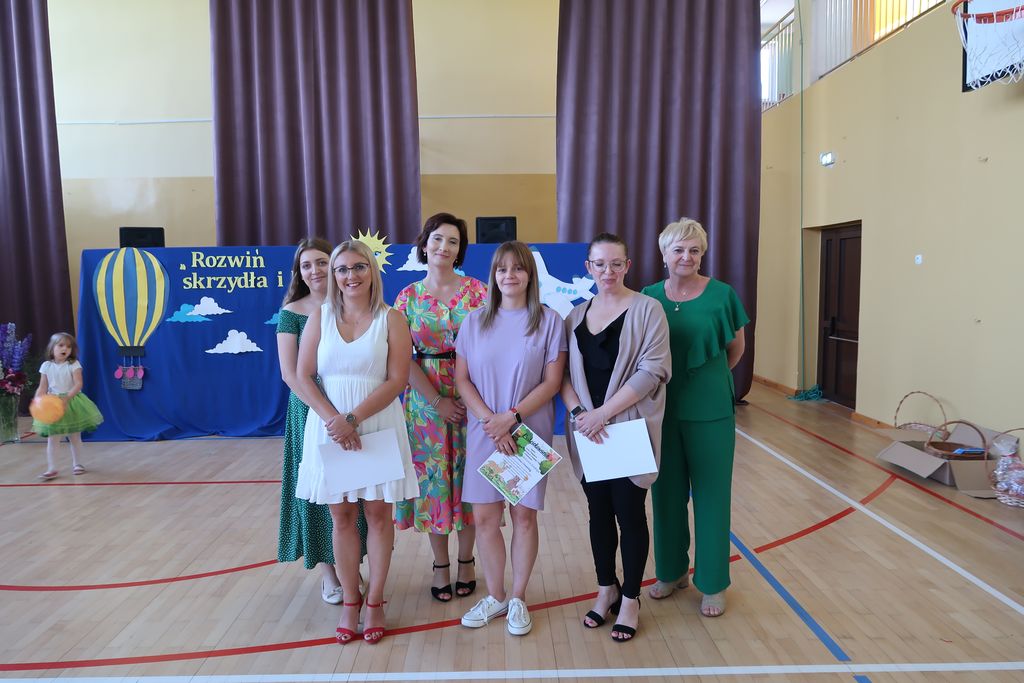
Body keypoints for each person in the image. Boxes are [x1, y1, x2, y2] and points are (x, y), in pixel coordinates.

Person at [293, 240, 419, 645]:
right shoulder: (320, 317)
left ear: (372, 271)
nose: (351, 276)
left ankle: (376, 600)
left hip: (376, 424)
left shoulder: (392, 318)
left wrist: (353, 419)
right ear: (334, 276)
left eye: (359, 267)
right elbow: (302, 375)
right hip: (330, 427)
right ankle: (351, 600)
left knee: (379, 516)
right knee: (342, 517)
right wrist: (335, 420)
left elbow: (398, 380)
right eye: (343, 269)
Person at [561, 233, 671, 643]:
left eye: (616, 263)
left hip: (628, 428)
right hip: (588, 432)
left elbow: (652, 370)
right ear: (588, 268)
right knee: (599, 512)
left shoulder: (648, 310)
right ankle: (606, 587)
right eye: (600, 264)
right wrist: (580, 414)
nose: (608, 271)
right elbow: (562, 375)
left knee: (630, 512)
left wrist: (602, 415)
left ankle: (630, 598)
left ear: (628, 266)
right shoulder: (574, 317)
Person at [454, 240, 566, 637]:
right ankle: (496, 595)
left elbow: (552, 382)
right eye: (502, 269)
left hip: (526, 433)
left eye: (518, 268)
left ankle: (518, 597)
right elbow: (462, 379)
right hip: (485, 431)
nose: (510, 276)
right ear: (493, 276)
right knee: (485, 519)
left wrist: (511, 418)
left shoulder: (549, 320)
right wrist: (492, 421)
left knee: (523, 516)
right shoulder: (474, 321)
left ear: (530, 275)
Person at [640, 217, 749, 618]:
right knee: (665, 495)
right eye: (679, 250)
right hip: (661, 410)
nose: (687, 256)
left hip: (710, 411)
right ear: (664, 254)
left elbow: (736, 350)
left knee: (712, 497)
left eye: (695, 250)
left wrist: (706, 380)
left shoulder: (722, 295)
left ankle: (713, 583)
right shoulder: (648, 296)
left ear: (702, 254)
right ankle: (671, 573)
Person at [394, 213, 488, 603]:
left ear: (460, 250)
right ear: (424, 244)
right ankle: (440, 565)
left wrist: (470, 397)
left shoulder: (480, 293)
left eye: (452, 241)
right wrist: (437, 400)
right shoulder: (407, 298)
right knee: (433, 483)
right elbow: (401, 357)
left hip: (475, 395)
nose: (443, 247)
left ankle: (467, 560)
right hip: (424, 402)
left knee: (471, 480)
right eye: (436, 239)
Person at [276, 237, 368, 605]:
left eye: (321, 262)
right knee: (321, 492)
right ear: (298, 273)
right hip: (310, 412)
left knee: (356, 490)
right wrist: (328, 416)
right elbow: (290, 374)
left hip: (352, 408)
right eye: (306, 265)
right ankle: (329, 574)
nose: (314, 270)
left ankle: (351, 567)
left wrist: (349, 414)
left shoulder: (351, 306)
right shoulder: (292, 313)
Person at [33, 333, 104, 479]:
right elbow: (43, 386)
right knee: (53, 438)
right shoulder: (46, 366)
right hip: (53, 404)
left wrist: (66, 398)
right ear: (52, 348)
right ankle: (52, 468)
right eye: (61, 345)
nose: (65, 349)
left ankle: (78, 464)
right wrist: (37, 399)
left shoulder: (73, 364)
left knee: (74, 436)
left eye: (69, 346)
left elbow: (78, 384)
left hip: (71, 402)